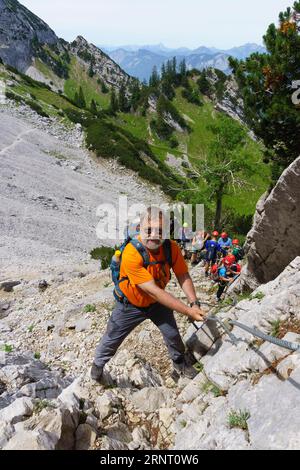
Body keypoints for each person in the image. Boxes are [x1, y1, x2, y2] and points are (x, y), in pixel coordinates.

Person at [91, 207, 206, 383]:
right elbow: (153, 290)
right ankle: (97, 367)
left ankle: (179, 364)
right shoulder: (131, 252)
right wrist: (188, 312)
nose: (154, 235)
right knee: (112, 338)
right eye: (149, 230)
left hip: (155, 303)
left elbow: (183, 274)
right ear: (140, 229)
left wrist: (194, 303)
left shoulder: (171, 248)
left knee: (173, 335)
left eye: (160, 231)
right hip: (129, 304)